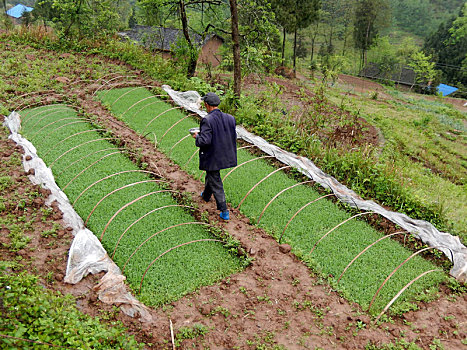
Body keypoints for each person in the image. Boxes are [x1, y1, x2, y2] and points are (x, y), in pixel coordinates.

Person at [192, 92, 237, 221]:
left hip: (213, 156)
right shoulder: (230, 118)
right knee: (211, 174)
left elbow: (204, 141)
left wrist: (197, 136)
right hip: (226, 154)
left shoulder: (207, 120)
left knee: (215, 180)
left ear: (207, 104)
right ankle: (206, 195)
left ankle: (224, 210)